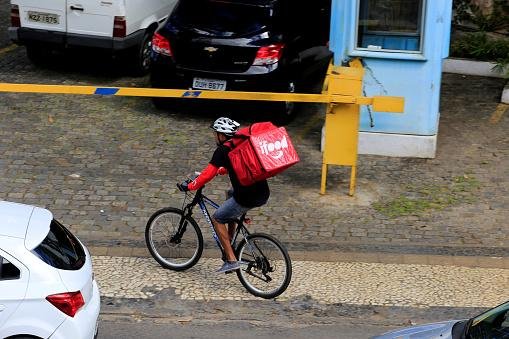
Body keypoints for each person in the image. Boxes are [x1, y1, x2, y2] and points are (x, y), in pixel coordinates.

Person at [180, 117, 270, 273]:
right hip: (262, 192)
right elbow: (241, 164)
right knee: (230, 193)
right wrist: (222, 170)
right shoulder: (242, 143)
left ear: (222, 135)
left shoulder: (222, 150)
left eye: (216, 134)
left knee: (217, 218)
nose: (215, 137)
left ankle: (231, 259)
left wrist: (190, 186)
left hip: (246, 197)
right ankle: (231, 241)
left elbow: (207, 175)